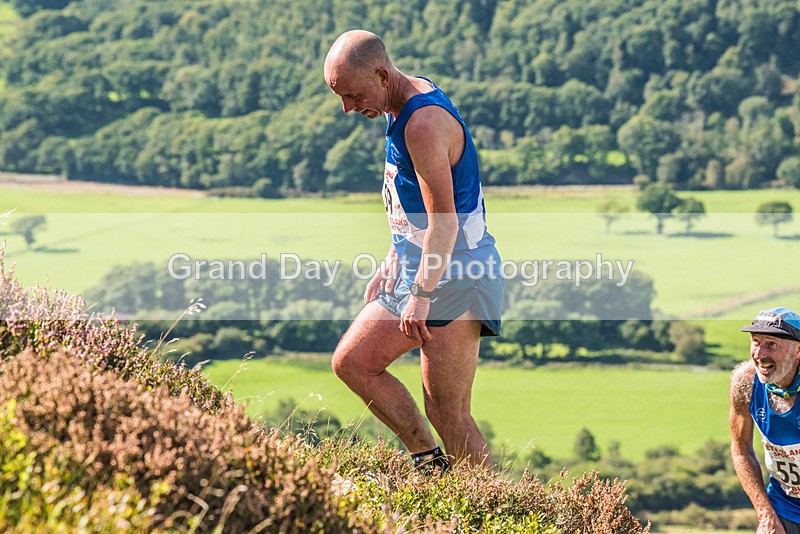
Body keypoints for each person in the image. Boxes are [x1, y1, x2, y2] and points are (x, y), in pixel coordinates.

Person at [323, 30, 504, 469]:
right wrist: (394, 253)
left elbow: (444, 221)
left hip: (454, 275)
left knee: (448, 412)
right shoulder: (399, 97)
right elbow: (410, 201)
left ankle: (498, 511)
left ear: (383, 75)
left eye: (352, 95)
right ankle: (428, 462)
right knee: (353, 363)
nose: (348, 108)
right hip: (422, 265)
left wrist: (420, 295)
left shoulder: (422, 125)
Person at [730, 307, 800, 533]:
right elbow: (740, 447)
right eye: (756, 341)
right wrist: (765, 514)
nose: (759, 355)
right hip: (783, 508)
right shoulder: (746, 382)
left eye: (772, 344)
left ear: (798, 349)